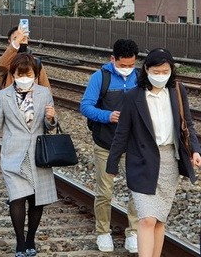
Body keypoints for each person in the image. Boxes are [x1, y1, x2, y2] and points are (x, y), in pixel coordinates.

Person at [106, 48, 201, 257]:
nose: (161, 75)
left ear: (171, 71)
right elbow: (122, 132)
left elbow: (188, 124)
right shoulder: (133, 96)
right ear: (146, 70)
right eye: (156, 71)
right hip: (142, 162)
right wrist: (112, 163)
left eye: (165, 71)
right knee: (147, 218)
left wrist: (195, 150)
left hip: (170, 161)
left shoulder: (177, 90)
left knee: (159, 219)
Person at [0, 53, 57, 257]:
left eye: (28, 73)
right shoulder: (3, 96)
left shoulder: (44, 93)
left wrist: (51, 119)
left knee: (36, 199)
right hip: (13, 155)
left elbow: (50, 128)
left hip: (38, 156)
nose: (24, 77)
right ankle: (20, 242)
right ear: (12, 74)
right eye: (19, 74)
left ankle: (31, 238)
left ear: (35, 74)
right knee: (17, 198)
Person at [80, 38, 140, 253]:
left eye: (131, 65)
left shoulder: (140, 78)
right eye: (123, 65)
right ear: (113, 59)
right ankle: (103, 232)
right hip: (106, 143)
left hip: (133, 145)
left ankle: (133, 232)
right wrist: (108, 116)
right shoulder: (100, 77)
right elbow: (85, 106)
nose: (127, 69)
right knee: (105, 192)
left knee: (137, 191)